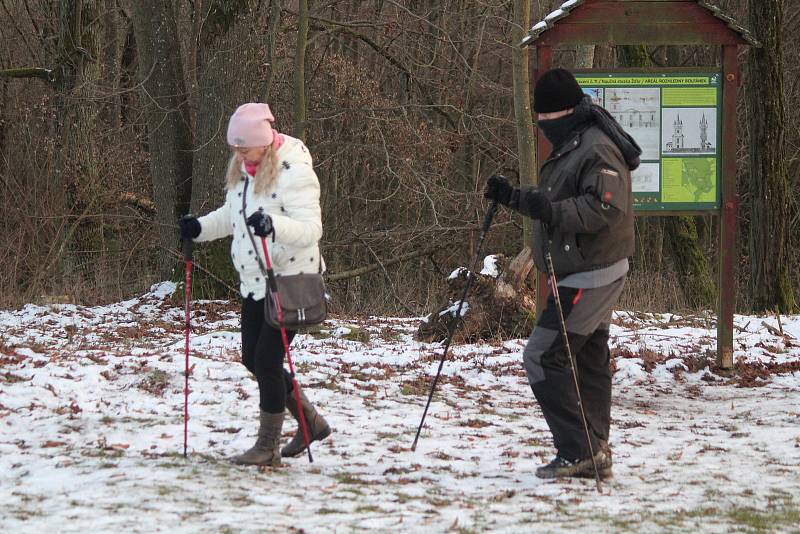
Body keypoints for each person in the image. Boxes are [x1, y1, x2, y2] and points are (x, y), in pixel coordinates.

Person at [484, 69, 639, 479]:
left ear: (562, 114)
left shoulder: (598, 147)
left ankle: (578, 449)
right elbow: (554, 200)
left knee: (542, 355)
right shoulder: (575, 141)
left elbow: (602, 208)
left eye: (543, 121)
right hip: (579, 269)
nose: (540, 128)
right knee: (588, 356)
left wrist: (549, 211)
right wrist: (515, 197)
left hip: (594, 272)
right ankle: (594, 447)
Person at [179, 103, 331, 466]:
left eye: (244, 147)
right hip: (254, 281)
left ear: (264, 142)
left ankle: (268, 447)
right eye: (235, 147)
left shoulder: (294, 171)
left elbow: (312, 229)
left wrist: (274, 225)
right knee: (252, 358)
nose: (239, 153)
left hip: (290, 280)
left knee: (266, 360)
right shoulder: (244, 169)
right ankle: (309, 422)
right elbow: (232, 217)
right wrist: (199, 228)